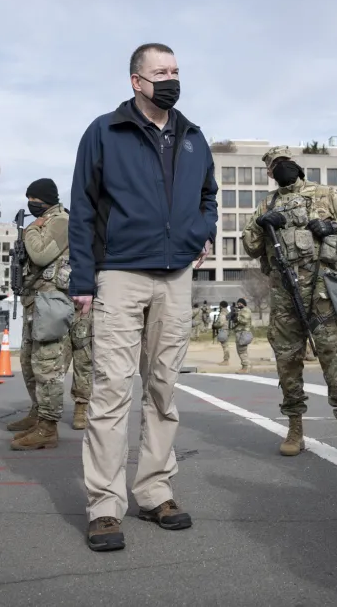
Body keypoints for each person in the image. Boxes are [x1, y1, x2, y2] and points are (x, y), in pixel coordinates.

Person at [69, 42, 217, 552]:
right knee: (111, 392)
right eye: (161, 72)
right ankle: (105, 506)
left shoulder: (194, 137)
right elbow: (83, 209)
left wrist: (205, 230)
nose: (172, 78)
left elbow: (208, 196)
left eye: (176, 70)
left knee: (163, 390)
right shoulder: (104, 132)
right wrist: (83, 281)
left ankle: (154, 491)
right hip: (120, 275)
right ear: (137, 81)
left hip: (176, 277)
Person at [242, 146, 337, 461]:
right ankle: (295, 430)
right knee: (287, 363)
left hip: (321, 291)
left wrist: (334, 227)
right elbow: (250, 247)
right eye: (275, 164)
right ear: (268, 172)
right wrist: (263, 223)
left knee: (335, 361)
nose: (281, 168)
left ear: (296, 163)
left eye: (285, 161)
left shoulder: (326, 194)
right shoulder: (267, 204)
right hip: (284, 294)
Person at [10, 177, 93, 450]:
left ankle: (50, 424)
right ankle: (39, 414)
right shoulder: (44, 221)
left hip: (55, 303)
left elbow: (41, 255)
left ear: (45, 199)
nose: (31, 204)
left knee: (51, 365)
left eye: (34, 200)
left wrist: (29, 231)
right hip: (37, 301)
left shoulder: (59, 221)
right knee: (29, 363)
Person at [232, 297, 253, 372]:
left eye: (240, 304)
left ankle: (245, 367)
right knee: (243, 351)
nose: (239, 305)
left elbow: (244, 320)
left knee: (241, 351)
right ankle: (247, 366)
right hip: (241, 333)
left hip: (243, 333)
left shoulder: (246, 310)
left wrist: (237, 318)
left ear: (244, 304)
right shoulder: (242, 311)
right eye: (238, 304)